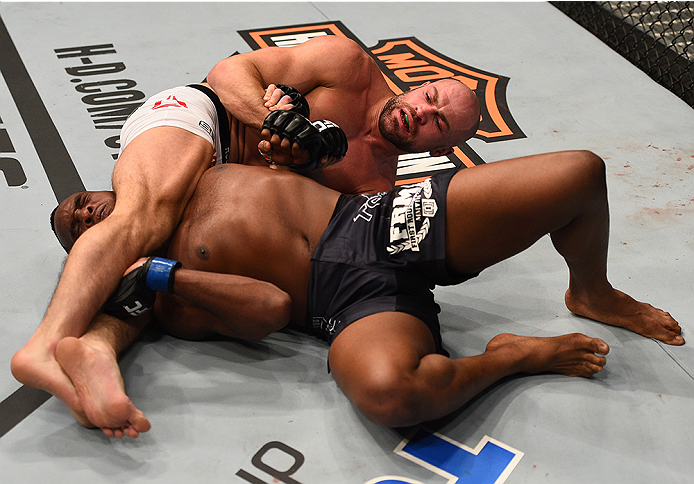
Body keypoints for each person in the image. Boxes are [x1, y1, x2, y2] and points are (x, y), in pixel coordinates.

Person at [49, 151, 683, 438]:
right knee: (391, 394)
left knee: (579, 175)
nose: (82, 218)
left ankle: (592, 290)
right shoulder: (165, 294)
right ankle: (511, 355)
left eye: (78, 205)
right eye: (74, 233)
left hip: (375, 219)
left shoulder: (175, 166)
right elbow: (269, 309)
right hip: (345, 301)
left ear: (100, 187)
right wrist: (161, 274)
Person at [10, 34, 480, 417]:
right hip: (206, 121)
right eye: (429, 98)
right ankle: (43, 347)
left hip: (216, 198)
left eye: (438, 124)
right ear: (421, 85)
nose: (421, 113)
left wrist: (284, 161)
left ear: (440, 152)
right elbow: (227, 74)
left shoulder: (373, 189)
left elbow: (284, 216)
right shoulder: (348, 65)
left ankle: (97, 351)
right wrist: (273, 117)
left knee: (153, 269)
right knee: (142, 217)